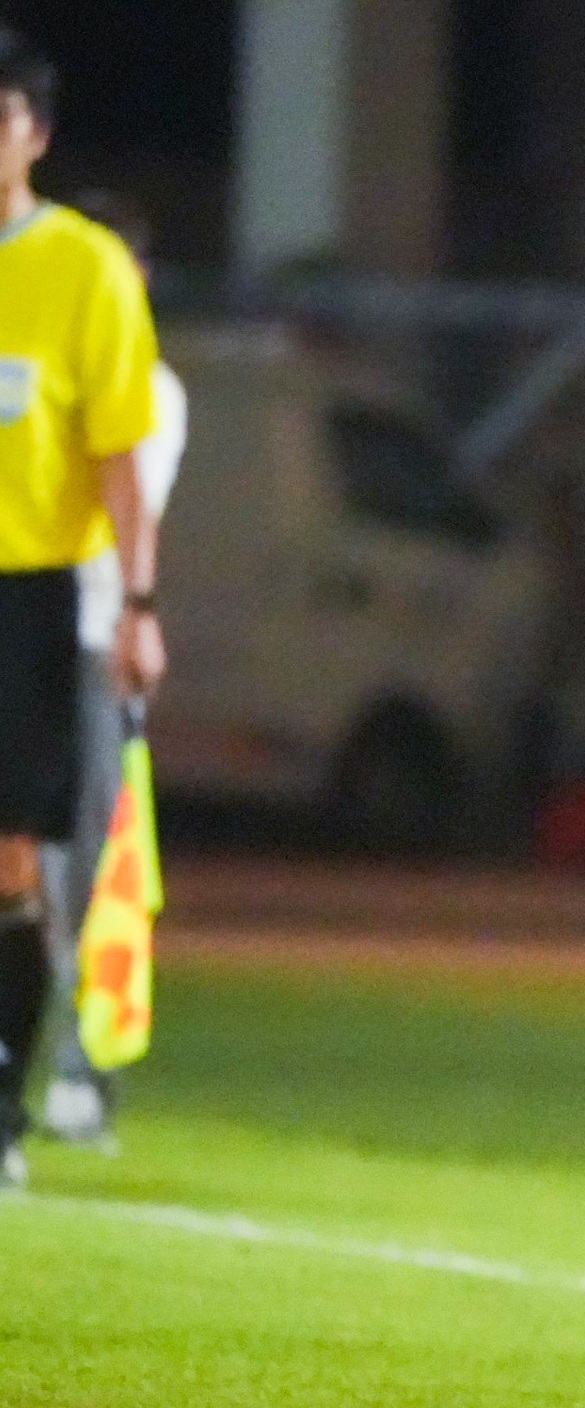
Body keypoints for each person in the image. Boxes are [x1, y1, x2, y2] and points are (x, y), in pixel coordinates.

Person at [0, 31, 167, 1189]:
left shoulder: (83, 266)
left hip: (27, 595)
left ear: (37, 134)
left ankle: (6, 1105)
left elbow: (119, 455)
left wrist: (138, 604)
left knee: (13, 859)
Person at [39, 190, 185, 1151]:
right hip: (27, 630)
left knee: (91, 867)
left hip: (86, 642)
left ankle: (83, 1073)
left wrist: (137, 621)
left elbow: (122, 509)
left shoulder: (154, 392)